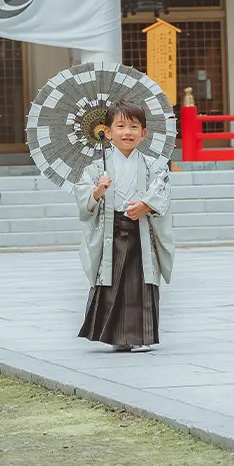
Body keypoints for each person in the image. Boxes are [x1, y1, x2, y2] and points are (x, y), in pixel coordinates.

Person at [75, 100, 174, 351]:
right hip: (112, 231)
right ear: (107, 132)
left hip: (141, 230)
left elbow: (161, 190)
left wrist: (145, 205)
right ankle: (115, 336)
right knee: (112, 282)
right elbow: (84, 199)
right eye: (120, 126)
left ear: (143, 134)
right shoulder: (97, 168)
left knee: (140, 282)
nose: (127, 132)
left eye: (133, 126)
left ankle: (140, 336)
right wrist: (97, 191)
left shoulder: (155, 165)